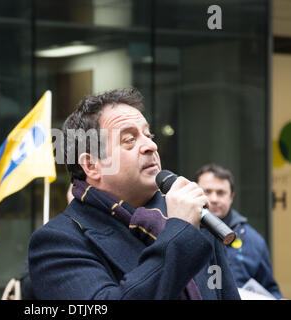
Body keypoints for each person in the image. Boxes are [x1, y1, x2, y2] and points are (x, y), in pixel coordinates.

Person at [28, 88, 240, 300]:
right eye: (130, 139)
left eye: (149, 135)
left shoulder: (192, 217)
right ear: (92, 165)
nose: (151, 145)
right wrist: (179, 233)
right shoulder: (57, 242)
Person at [194, 163, 283, 299]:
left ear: (231, 196)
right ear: (196, 192)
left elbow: (270, 289)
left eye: (221, 192)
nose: (214, 199)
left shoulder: (253, 240)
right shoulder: (181, 231)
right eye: (207, 191)